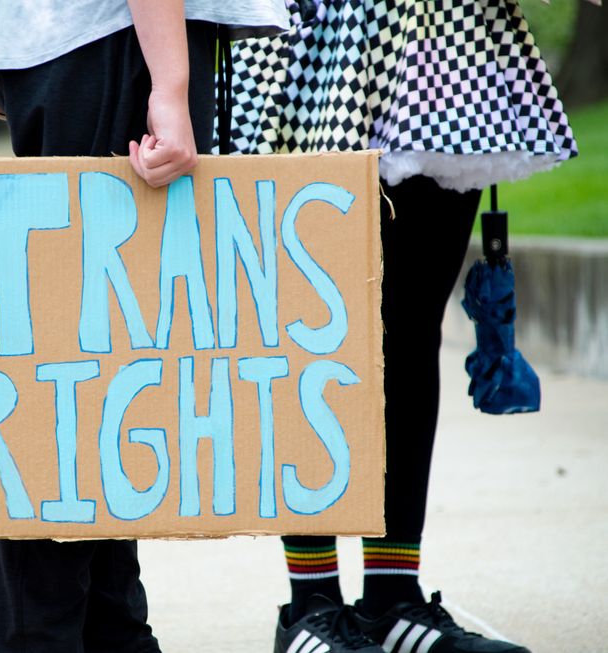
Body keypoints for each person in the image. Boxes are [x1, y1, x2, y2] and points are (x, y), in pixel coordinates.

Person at [224, 1, 577, 652]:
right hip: (312, 37)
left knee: (413, 329)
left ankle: (392, 596)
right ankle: (311, 605)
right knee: (310, 334)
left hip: (444, 37)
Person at [0, 1, 287, 650]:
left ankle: (107, 629)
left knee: (105, 367)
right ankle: (62, 635)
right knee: (77, 374)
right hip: (109, 39)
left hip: (95, 39)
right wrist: (169, 84)